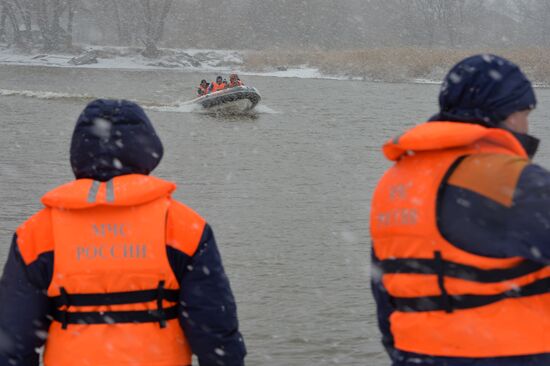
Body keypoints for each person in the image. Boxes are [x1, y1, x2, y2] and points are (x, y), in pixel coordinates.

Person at [0, 99, 246, 366]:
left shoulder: (36, 234)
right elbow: (217, 335)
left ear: (78, 151)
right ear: (150, 150)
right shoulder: (185, 227)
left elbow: (12, 342)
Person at [371, 54, 550, 366]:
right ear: (507, 114)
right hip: (511, 354)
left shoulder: (394, 182)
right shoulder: (510, 179)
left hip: (416, 355)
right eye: (525, 112)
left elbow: (383, 291)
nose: (527, 124)